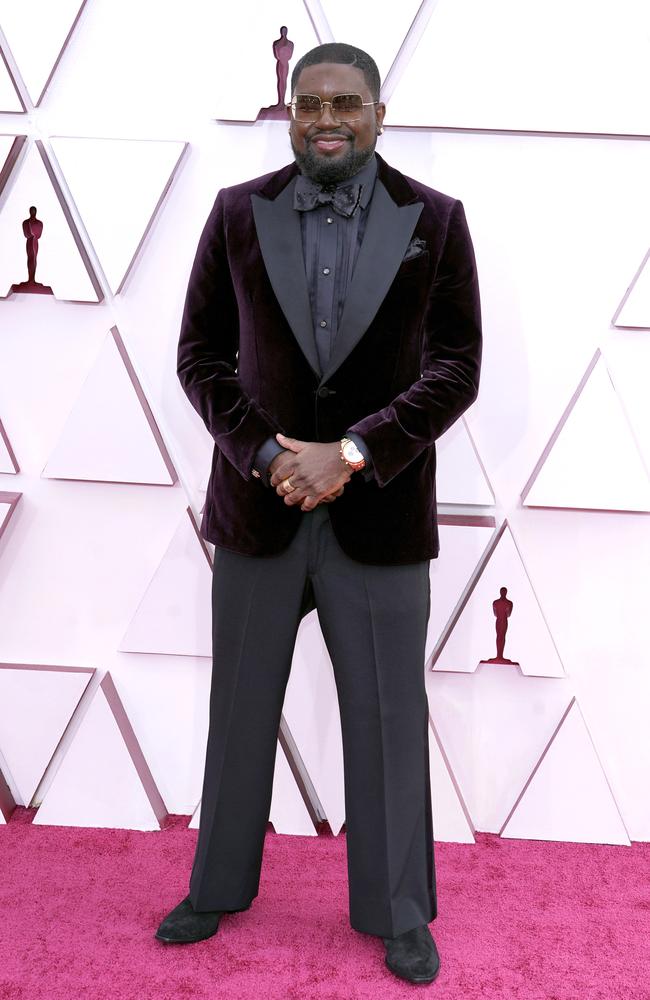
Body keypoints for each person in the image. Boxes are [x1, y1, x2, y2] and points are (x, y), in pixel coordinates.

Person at [156, 42, 482, 986]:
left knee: (386, 715)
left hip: (377, 517)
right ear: (289, 111)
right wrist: (268, 455)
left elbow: (455, 367)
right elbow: (201, 358)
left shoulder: (439, 220)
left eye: (345, 103)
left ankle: (399, 911)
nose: (326, 118)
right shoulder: (234, 215)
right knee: (239, 709)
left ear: (380, 113)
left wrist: (350, 455)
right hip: (259, 510)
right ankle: (214, 888)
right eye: (309, 104)